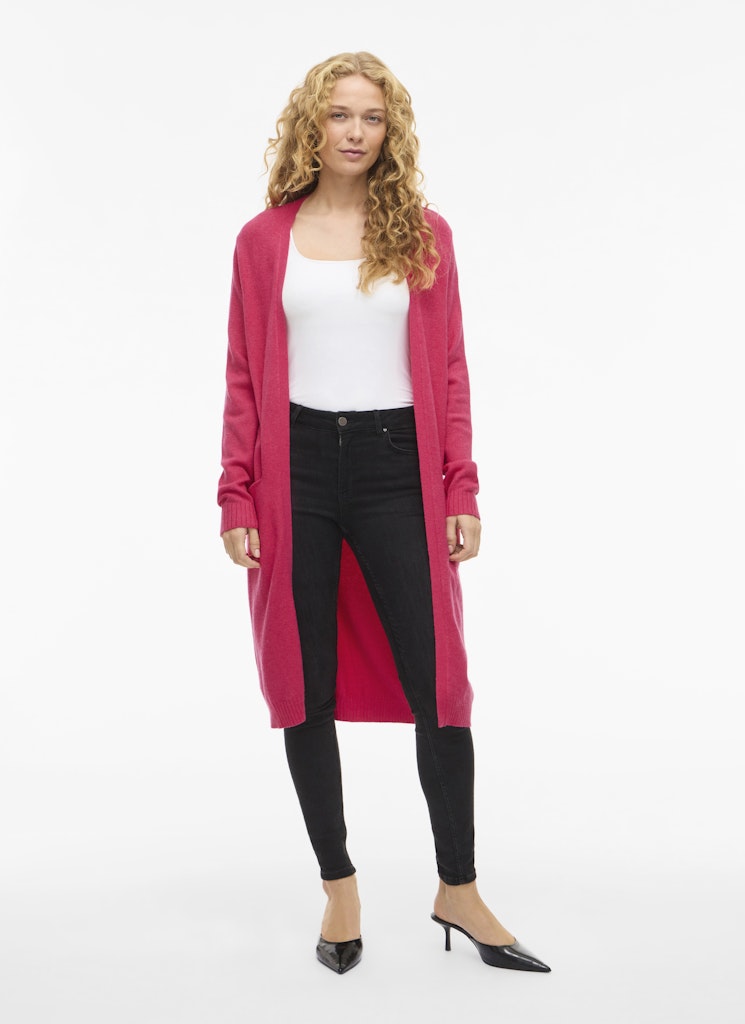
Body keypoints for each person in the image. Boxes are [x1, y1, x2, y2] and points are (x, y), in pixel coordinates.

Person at [217, 51, 550, 976]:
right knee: (304, 683)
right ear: (311, 126)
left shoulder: (423, 234)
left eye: (372, 117)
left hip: (399, 465)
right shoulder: (263, 240)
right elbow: (243, 374)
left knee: (440, 683)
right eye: (339, 115)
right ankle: (339, 887)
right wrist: (235, 490)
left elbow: (450, 370)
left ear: (390, 130)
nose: (355, 131)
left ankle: (459, 888)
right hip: (294, 469)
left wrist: (462, 485)